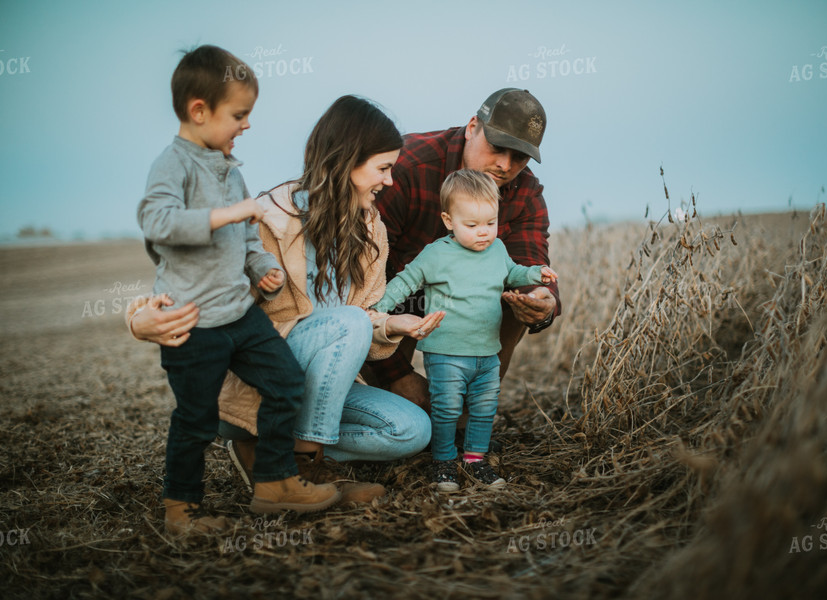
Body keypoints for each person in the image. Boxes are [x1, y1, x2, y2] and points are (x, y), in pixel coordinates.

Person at [129, 95, 440, 506]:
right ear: (346, 161)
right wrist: (139, 321)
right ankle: (300, 471)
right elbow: (195, 279)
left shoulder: (371, 232)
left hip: (325, 385)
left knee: (414, 430)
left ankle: (268, 456)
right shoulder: (268, 218)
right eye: (383, 168)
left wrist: (390, 325)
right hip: (262, 380)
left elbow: (363, 315)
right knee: (349, 323)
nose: (390, 182)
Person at [136, 45, 340, 535]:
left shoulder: (231, 168)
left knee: (287, 383)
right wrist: (229, 214)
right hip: (193, 324)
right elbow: (156, 220)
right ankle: (180, 510)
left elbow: (248, 237)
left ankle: (274, 482)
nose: (246, 125)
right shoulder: (173, 165)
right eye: (239, 115)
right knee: (195, 419)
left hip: (240, 315)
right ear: (199, 111)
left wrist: (262, 266)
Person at [368, 88, 561, 410]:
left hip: (468, 308)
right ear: (473, 127)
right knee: (401, 422)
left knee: (516, 297)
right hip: (394, 299)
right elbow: (363, 272)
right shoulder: (407, 166)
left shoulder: (525, 191)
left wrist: (543, 300)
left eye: (519, 156)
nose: (505, 164)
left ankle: (467, 417)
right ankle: (394, 394)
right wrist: (397, 375)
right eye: (498, 147)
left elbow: (530, 259)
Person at [371, 170, 557, 491]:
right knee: (446, 409)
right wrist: (380, 308)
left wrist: (536, 274)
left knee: (484, 409)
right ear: (448, 220)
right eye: (471, 225)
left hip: (487, 352)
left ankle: (475, 460)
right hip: (446, 352)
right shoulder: (437, 254)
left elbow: (513, 273)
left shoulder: (496, 249)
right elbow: (406, 280)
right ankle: (443, 462)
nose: (483, 233)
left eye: (490, 223)